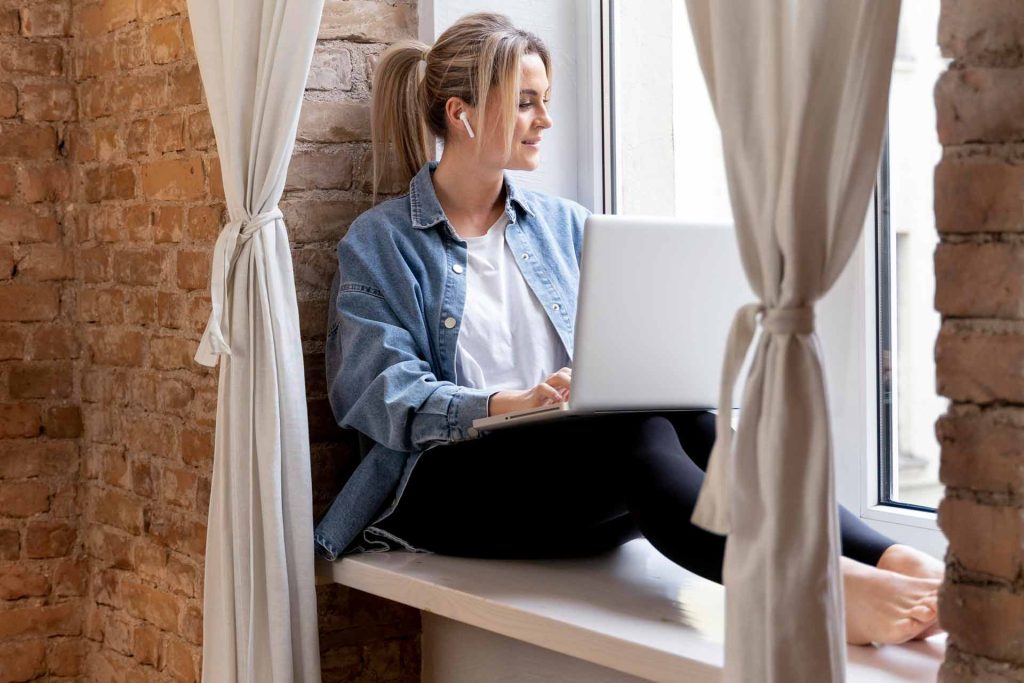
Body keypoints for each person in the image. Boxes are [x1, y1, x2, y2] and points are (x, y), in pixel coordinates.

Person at [314, 11, 945, 646]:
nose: (546, 120)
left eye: (547, 101)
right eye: (526, 102)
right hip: (442, 491)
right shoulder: (382, 242)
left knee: (692, 418)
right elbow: (377, 394)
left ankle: (895, 560)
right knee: (630, 431)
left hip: (574, 491)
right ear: (463, 114)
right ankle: (809, 589)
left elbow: (625, 355)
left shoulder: (565, 226)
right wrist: (510, 403)